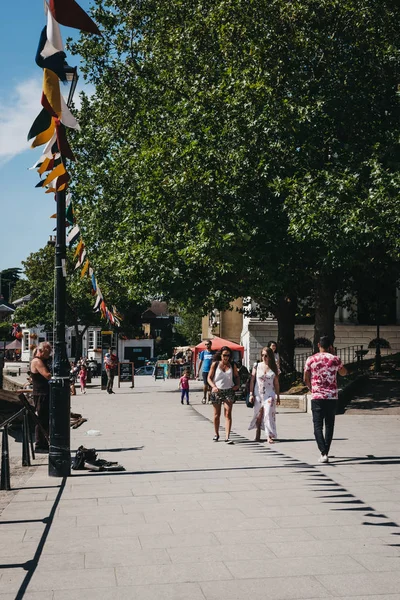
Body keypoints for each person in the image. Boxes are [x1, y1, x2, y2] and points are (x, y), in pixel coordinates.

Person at [304, 335, 347, 464]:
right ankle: (326, 451)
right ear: (330, 347)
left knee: (317, 426)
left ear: (318, 345)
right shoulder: (335, 359)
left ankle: (322, 452)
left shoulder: (311, 359)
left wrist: (310, 388)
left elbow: (305, 376)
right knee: (329, 425)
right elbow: (344, 372)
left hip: (317, 396)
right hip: (331, 396)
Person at [207, 346, 240, 444]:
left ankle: (227, 437)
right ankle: (216, 434)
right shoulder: (215, 364)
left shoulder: (232, 365)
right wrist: (213, 386)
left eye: (228, 355)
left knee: (228, 413)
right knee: (217, 414)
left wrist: (237, 385)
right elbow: (209, 378)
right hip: (217, 391)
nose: (226, 357)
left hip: (229, 391)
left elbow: (237, 376)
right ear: (221, 355)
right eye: (224, 355)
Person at [248, 347, 280, 443]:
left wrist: (278, 396)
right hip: (258, 393)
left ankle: (268, 435)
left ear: (270, 356)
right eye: (262, 355)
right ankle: (257, 434)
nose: (264, 357)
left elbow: (276, 383)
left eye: (266, 355)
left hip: (270, 394)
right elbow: (252, 381)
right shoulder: (257, 366)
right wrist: (251, 394)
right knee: (258, 415)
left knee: (268, 414)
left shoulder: (275, 368)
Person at [30, 341, 52, 452]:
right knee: (42, 419)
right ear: (41, 351)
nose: (50, 354)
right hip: (41, 393)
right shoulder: (37, 361)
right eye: (48, 351)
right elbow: (47, 375)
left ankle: (44, 442)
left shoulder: (42, 360)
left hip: (44, 393)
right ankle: (39, 444)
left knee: (46, 418)